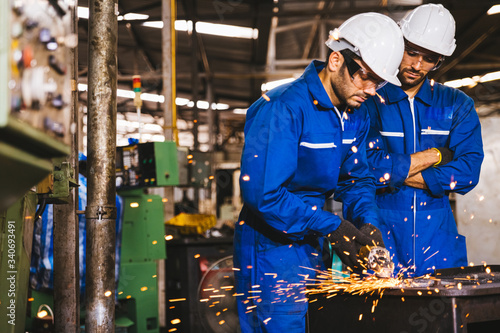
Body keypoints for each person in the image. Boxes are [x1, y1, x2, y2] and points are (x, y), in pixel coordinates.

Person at [233, 13, 404, 332]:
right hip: (271, 243)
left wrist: (368, 223)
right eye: (363, 76)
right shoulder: (282, 106)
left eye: (377, 82)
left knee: (319, 321)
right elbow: (264, 195)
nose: (369, 89)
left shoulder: (356, 114)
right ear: (337, 59)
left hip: (311, 237)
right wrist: (333, 225)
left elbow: (357, 179)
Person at [361, 4, 484, 277]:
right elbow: (365, 167)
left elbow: (467, 174)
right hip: (381, 236)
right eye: (412, 52)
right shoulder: (369, 100)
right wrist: (436, 156)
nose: (417, 65)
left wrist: (393, 170)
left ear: (440, 60)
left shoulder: (457, 104)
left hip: (439, 243)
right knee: (383, 317)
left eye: (429, 58)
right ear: (398, 42)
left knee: (443, 319)